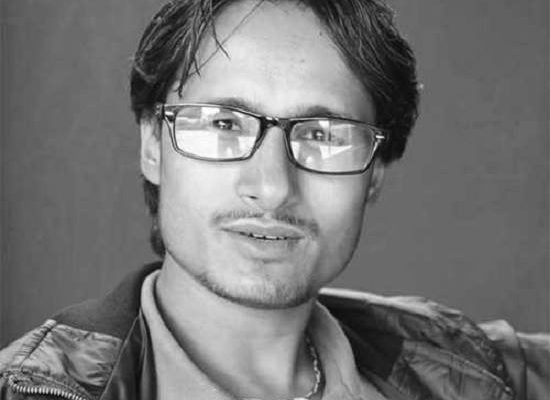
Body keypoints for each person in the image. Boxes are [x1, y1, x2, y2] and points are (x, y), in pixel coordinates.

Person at [1, 0, 548, 399]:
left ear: (376, 173)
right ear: (152, 146)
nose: (272, 186)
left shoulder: (460, 361)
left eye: (323, 135)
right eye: (223, 123)